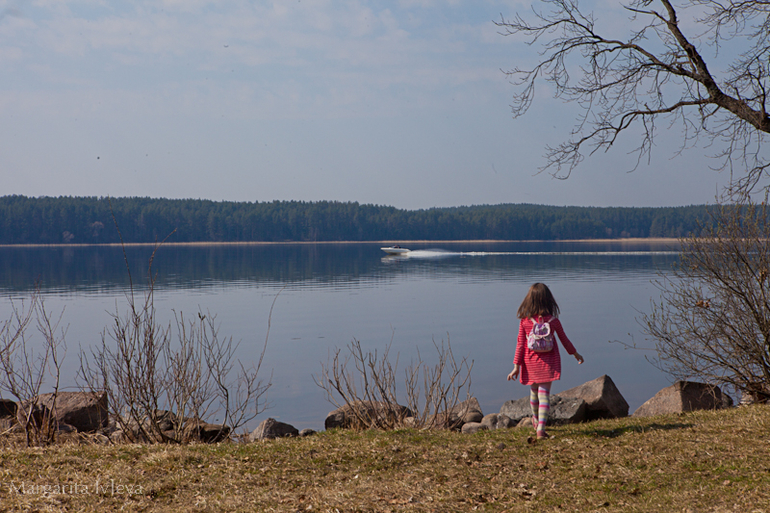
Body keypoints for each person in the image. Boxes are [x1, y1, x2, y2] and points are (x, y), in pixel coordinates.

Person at [507, 283, 584, 440]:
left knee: (533, 394)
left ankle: (536, 421)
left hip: (530, 363)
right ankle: (541, 429)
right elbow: (564, 340)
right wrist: (575, 354)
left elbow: (520, 344)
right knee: (544, 396)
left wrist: (516, 366)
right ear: (549, 300)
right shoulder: (553, 321)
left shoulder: (525, 321)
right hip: (548, 363)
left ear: (529, 301)